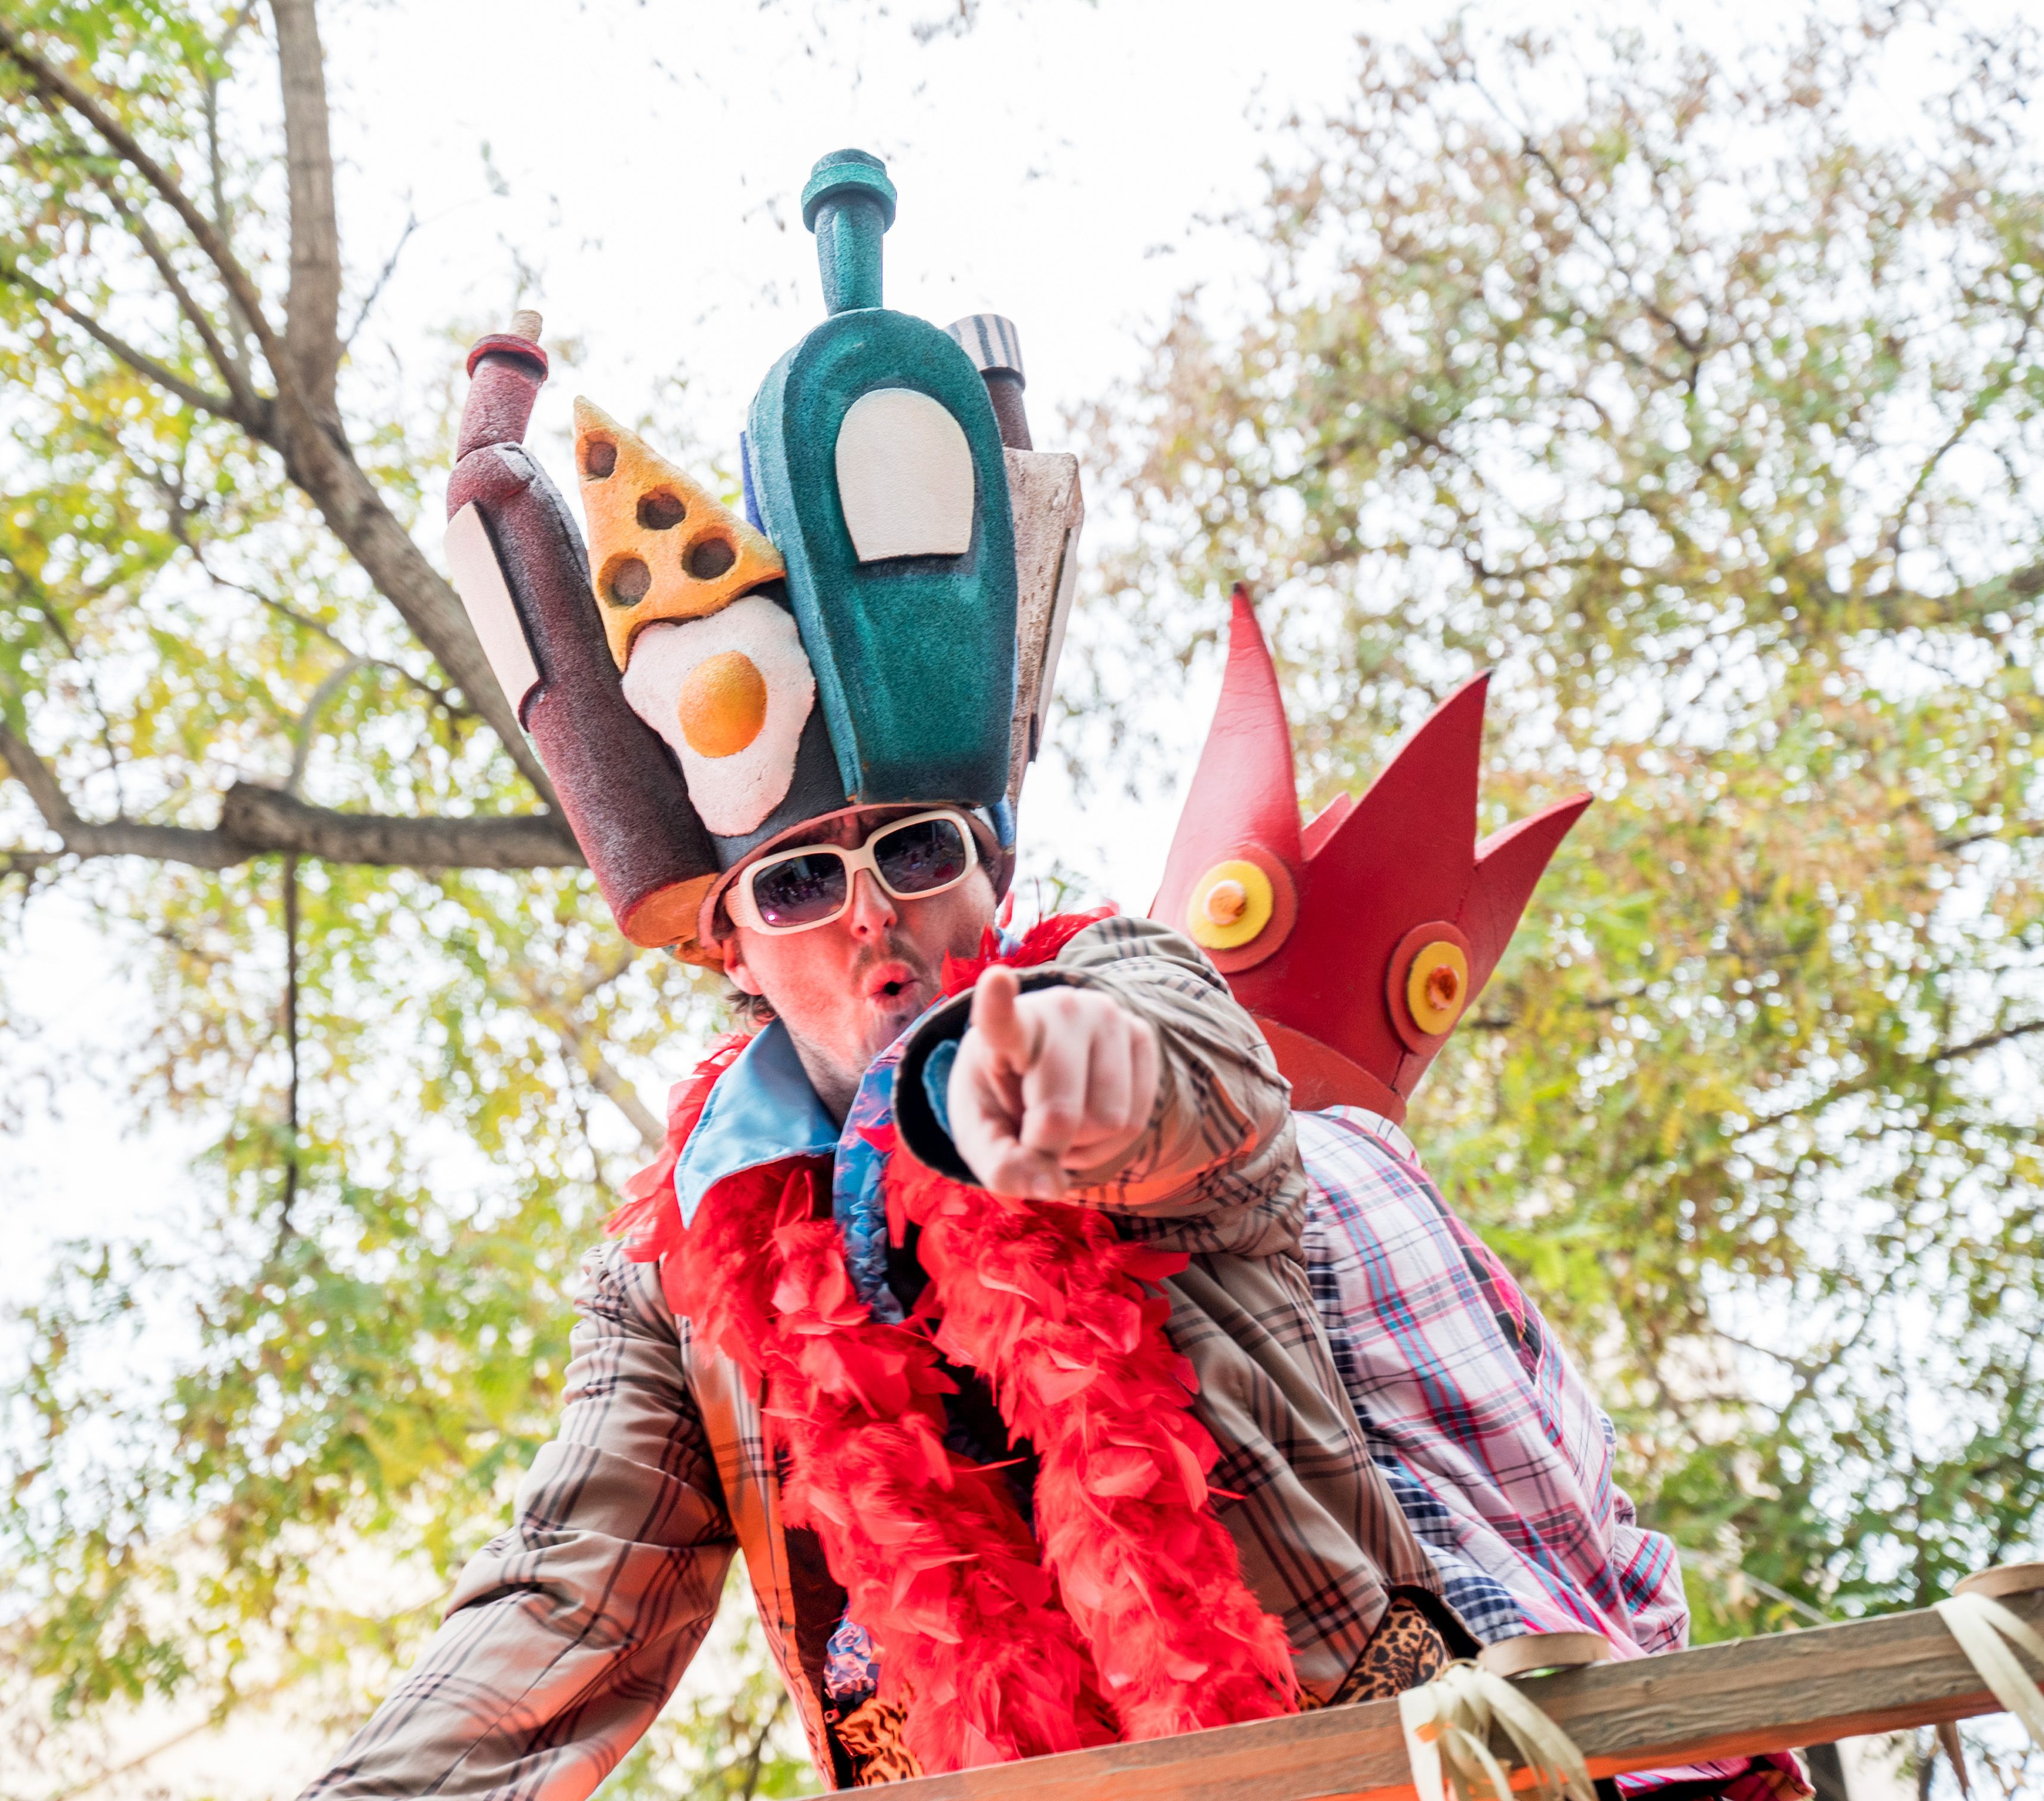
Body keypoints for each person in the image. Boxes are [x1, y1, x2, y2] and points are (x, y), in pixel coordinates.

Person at [296, 152, 1456, 1799]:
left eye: (916, 850)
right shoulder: (673, 1279)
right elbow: (563, 1605)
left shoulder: (1115, 980)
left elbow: (1192, 1074)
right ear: (733, 949)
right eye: (798, 877)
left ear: (987, 870)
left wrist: (1071, 1088)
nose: (871, 915)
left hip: (1348, 1764)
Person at [1148, 588, 1806, 1801]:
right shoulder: (1446, 1228)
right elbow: (1622, 1556)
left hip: (1476, 1743)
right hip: (1652, 1745)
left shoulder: (1265, 1175)